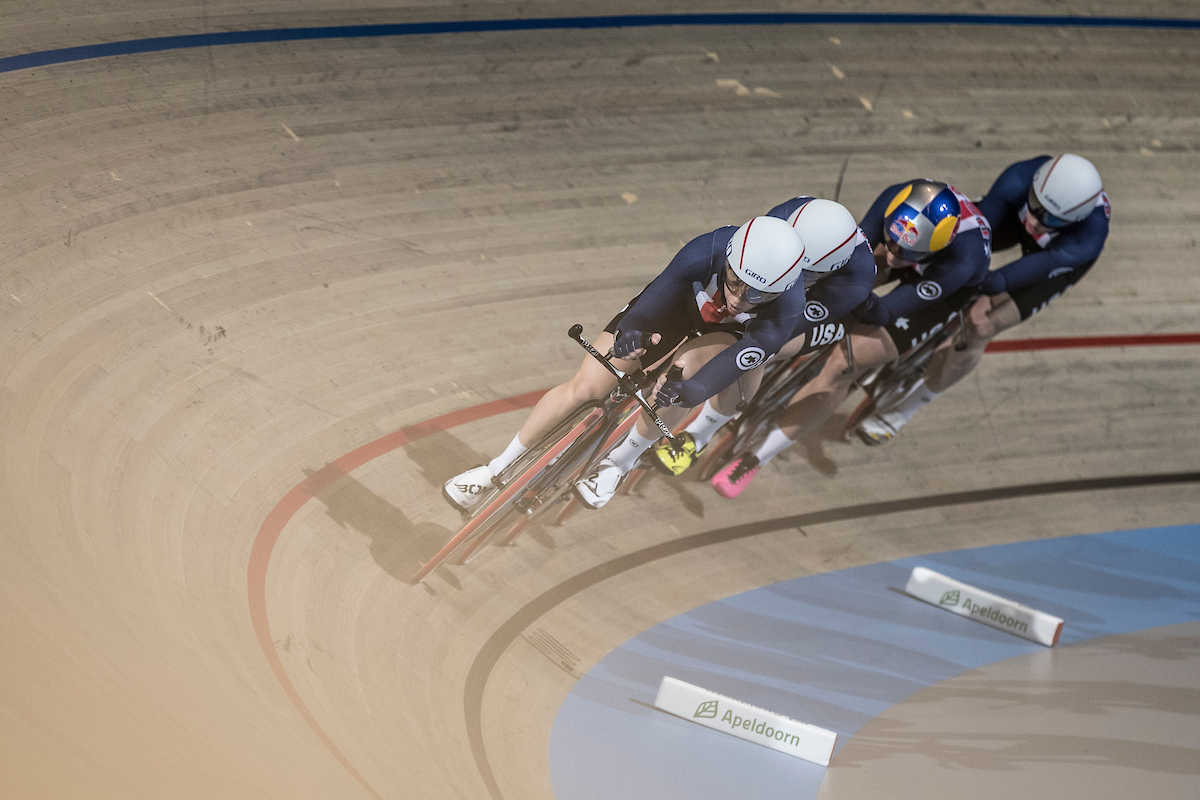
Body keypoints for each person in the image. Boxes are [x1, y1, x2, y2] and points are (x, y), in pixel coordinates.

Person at [443, 215, 807, 511]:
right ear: (727, 260)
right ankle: (494, 469)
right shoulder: (706, 249)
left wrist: (688, 390)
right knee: (586, 387)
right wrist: (632, 330)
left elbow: (714, 378)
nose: (740, 298)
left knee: (685, 378)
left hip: (726, 339)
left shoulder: (785, 313)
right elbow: (654, 299)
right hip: (680, 308)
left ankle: (619, 463)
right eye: (734, 281)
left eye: (758, 294)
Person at [710, 178, 992, 498]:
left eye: (906, 251)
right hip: (913, 246)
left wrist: (849, 305)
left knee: (845, 362)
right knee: (837, 276)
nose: (895, 253)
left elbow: (884, 311)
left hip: (942, 293)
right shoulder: (893, 200)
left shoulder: (962, 263)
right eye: (893, 242)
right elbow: (852, 255)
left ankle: (756, 457)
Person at [855, 154, 1110, 444]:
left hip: (1053, 259)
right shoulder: (1019, 177)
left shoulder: (1086, 240)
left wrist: (966, 281)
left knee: (982, 325)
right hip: (1012, 218)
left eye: (1051, 218)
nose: (1037, 222)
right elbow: (972, 235)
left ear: (1074, 219)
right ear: (1034, 188)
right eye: (1037, 207)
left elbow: (1000, 280)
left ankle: (906, 409)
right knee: (938, 252)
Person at [651, 196, 877, 476]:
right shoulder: (784, 215)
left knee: (764, 345)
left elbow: (782, 327)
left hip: (826, 312)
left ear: (827, 270)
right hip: (771, 287)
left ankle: (701, 434)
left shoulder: (855, 281)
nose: (796, 275)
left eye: (805, 272)